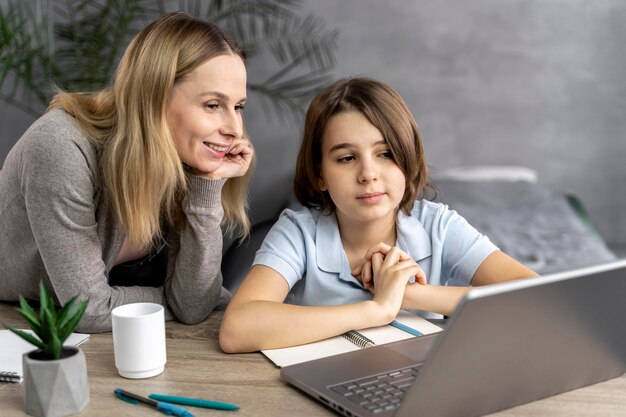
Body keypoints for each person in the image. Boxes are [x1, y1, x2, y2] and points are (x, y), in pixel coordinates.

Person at [219, 77, 537, 353]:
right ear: (320, 175)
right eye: (346, 158)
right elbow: (237, 329)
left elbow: (535, 298)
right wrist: (377, 309)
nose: (368, 173)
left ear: (407, 159)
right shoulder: (298, 233)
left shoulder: (438, 225)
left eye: (384, 154)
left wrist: (410, 294)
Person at [0, 12, 254, 332]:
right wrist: (171, 299)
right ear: (154, 97)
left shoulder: (182, 157)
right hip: (13, 319)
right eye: (213, 105)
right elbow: (89, 310)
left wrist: (207, 186)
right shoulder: (59, 145)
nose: (234, 128)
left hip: (77, 319)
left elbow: (193, 306)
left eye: (239, 106)